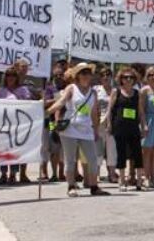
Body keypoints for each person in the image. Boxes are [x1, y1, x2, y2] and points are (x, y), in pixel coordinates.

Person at [47, 63, 110, 197]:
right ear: (77, 76)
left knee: (93, 159)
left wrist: (95, 129)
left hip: (86, 129)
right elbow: (62, 102)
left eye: (88, 73)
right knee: (70, 160)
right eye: (83, 73)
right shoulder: (72, 88)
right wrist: (49, 111)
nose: (86, 75)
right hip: (70, 128)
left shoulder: (93, 92)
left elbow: (94, 112)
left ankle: (94, 186)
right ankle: (71, 186)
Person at [108, 67, 145, 191]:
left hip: (133, 126)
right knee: (121, 153)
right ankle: (122, 181)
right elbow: (110, 110)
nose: (128, 80)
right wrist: (109, 124)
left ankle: (139, 181)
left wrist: (144, 125)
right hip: (120, 126)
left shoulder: (137, 93)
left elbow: (141, 111)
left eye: (131, 77)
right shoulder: (116, 92)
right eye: (125, 77)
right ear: (121, 79)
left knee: (137, 153)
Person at [0, 66, 30, 185]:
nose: (10, 78)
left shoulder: (23, 90)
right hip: (4, 125)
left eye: (13, 75)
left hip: (19, 124)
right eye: (8, 75)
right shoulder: (1, 91)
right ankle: (3, 174)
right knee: (4, 150)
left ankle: (13, 174)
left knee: (16, 149)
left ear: (17, 77)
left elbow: (28, 105)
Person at [41, 60, 68, 183]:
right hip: (51, 122)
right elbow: (44, 104)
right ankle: (52, 173)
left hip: (66, 121)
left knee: (63, 149)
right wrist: (57, 99)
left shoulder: (68, 87)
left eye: (61, 75)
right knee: (53, 147)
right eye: (56, 75)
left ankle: (62, 173)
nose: (59, 77)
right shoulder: (49, 88)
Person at [95, 66, 119, 184]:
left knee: (112, 149)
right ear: (100, 77)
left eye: (108, 74)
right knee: (98, 149)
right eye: (103, 75)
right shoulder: (96, 90)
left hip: (112, 124)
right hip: (99, 123)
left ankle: (111, 174)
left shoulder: (115, 90)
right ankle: (97, 174)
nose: (105, 77)